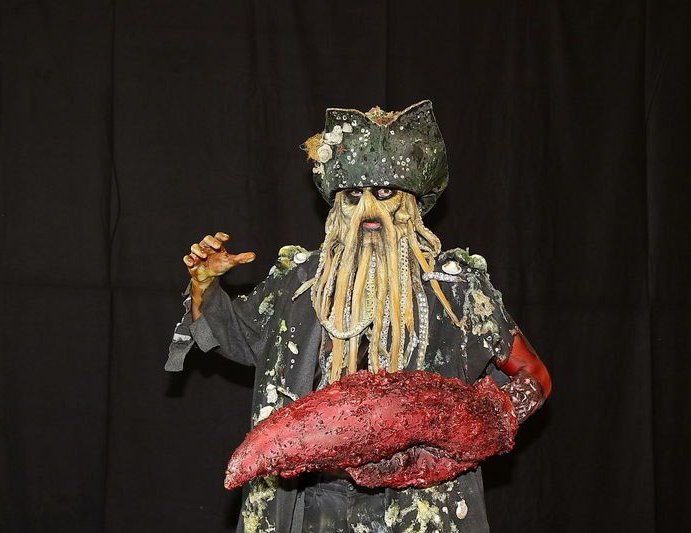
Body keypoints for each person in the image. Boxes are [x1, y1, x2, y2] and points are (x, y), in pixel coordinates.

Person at [165, 100, 551, 532]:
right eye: (353, 195)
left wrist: (474, 422)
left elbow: (534, 375)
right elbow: (234, 336)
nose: (368, 207)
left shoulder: (457, 289)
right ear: (336, 207)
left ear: (411, 203)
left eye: (383, 192)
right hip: (314, 503)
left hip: (423, 507)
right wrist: (204, 287)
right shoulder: (300, 282)